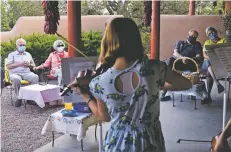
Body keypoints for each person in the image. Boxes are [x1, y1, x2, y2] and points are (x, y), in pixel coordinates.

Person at [73, 17, 192, 152]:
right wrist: (157, 85)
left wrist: (84, 95)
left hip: (117, 143)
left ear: (108, 42)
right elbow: (186, 84)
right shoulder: (156, 68)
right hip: (150, 142)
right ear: (136, 39)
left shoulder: (98, 82)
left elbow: (104, 117)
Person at [160, 29, 203, 101]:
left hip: (190, 63)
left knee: (194, 71)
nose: (192, 37)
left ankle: (193, 92)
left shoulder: (197, 44)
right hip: (177, 62)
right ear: (188, 36)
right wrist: (182, 58)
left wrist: (189, 59)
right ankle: (163, 93)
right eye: (191, 35)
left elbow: (199, 56)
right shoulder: (180, 42)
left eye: (194, 36)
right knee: (170, 60)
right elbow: (175, 53)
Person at [6, 38, 39, 107]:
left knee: (35, 77)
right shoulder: (12, 55)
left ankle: (30, 99)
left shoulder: (28, 54)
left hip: (27, 73)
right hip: (15, 73)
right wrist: (19, 64)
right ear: (16, 46)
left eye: (24, 45)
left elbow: (34, 67)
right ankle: (19, 98)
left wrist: (29, 65)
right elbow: (8, 66)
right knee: (16, 79)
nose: (23, 46)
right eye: (21, 45)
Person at [201, 27, 227, 104]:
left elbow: (225, 53)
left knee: (209, 74)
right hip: (207, 63)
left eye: (212, 32)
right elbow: (204, 54)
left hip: (219, 64)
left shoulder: (223, 41)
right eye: (209, 34)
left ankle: (208, 95)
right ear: (207, 35)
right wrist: (211, 58)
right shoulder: (207, 42)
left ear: (216, 32)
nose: (211, 34)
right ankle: (217, 83)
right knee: (207, 60)